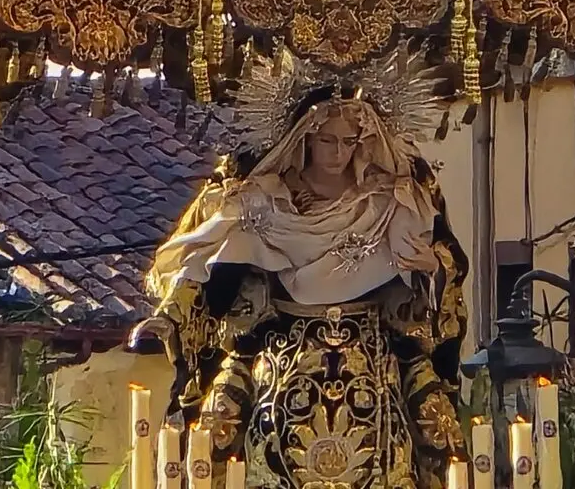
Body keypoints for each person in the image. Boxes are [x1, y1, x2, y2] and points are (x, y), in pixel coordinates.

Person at [132, 49, 469, 488]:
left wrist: (432, 268)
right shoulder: (260, 198)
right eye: (328, 140)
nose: (339, 153)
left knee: (441, 442)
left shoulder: (394, 199)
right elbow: (207, 264)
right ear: (305, 137)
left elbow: (444, 264)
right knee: (212, 443)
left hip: (373, 361)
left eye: (349, 141)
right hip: (277, 358)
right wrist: (171, 317)